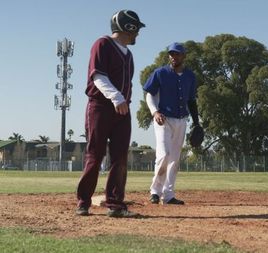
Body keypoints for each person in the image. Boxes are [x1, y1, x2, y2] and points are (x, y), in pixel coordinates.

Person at [75, 10, 145, 217]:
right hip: (100, 106)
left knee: (120, 157)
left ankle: (115, 204)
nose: (137, 34)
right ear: (128, 27)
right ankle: (83, 202)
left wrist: (122, 101)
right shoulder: (102, 44)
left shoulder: (128, 54)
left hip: (122, 109)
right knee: (95, 155)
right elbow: (98, 76)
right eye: (136, 29)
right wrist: (116, 97)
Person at [143, 42, 200, 205]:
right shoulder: (160, 73)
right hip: (163, 119)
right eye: (171, 54)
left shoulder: (190, 76)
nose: (174, 57)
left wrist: (196, 123)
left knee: (174, 158)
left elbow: (191, 100)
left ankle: (168, 195)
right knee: (164, 154)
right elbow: (149, 94)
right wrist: (154, 112)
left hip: (182, 120)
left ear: (184, 56)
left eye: (177, 54)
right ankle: (155, 191)